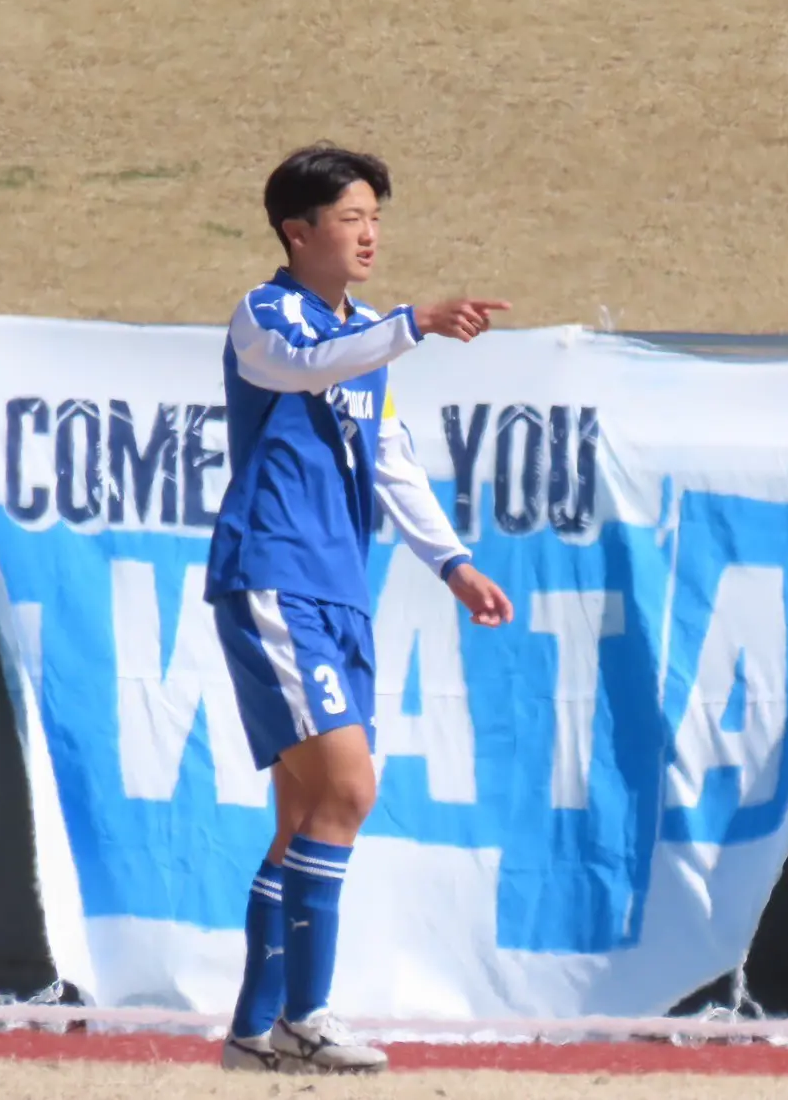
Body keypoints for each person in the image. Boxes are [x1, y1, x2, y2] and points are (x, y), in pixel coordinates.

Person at [207, 144, 515, 1075]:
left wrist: (452, 563)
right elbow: (303, 366)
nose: (370, 231)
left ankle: (253, 1035)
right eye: (350, 216)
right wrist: (410, 326)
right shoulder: (267, 315)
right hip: (274, 577)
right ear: (296, 233)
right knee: (348, 790)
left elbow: (389, 458)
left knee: (306, 815)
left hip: (340, 590)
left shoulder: (366, 339)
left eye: (375, 214)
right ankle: (306, 1014)